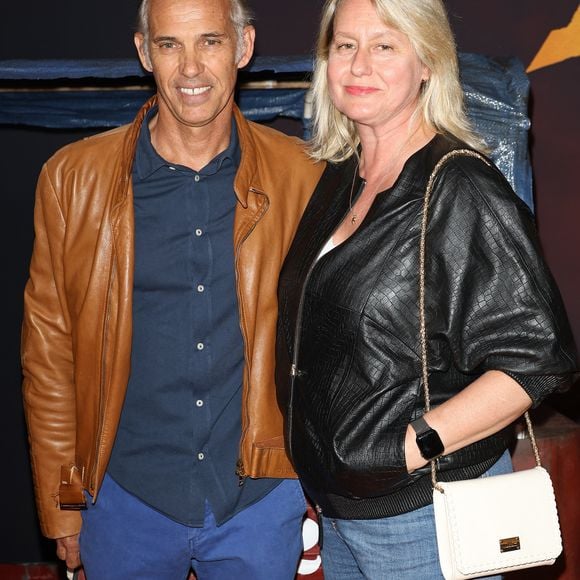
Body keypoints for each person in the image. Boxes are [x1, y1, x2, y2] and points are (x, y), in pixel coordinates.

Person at [21, 0, 324, 578]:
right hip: (122, 499)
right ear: (143, 53)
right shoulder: (71, 180)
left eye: (209, 42)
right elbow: (49, 357)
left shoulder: (302, 176)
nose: (190, 68)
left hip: (259, 501)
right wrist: (63, 508)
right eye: (169, 45)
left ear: (244, 47)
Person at [275, 0, 578, 578]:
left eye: (385, 45)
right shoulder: (344, 175)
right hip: (344, 514)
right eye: (345, 45)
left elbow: (537, 362)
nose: (359, 64)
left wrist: (411, 447)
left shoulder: (460, 186)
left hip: (424, 517)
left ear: (427, 64)